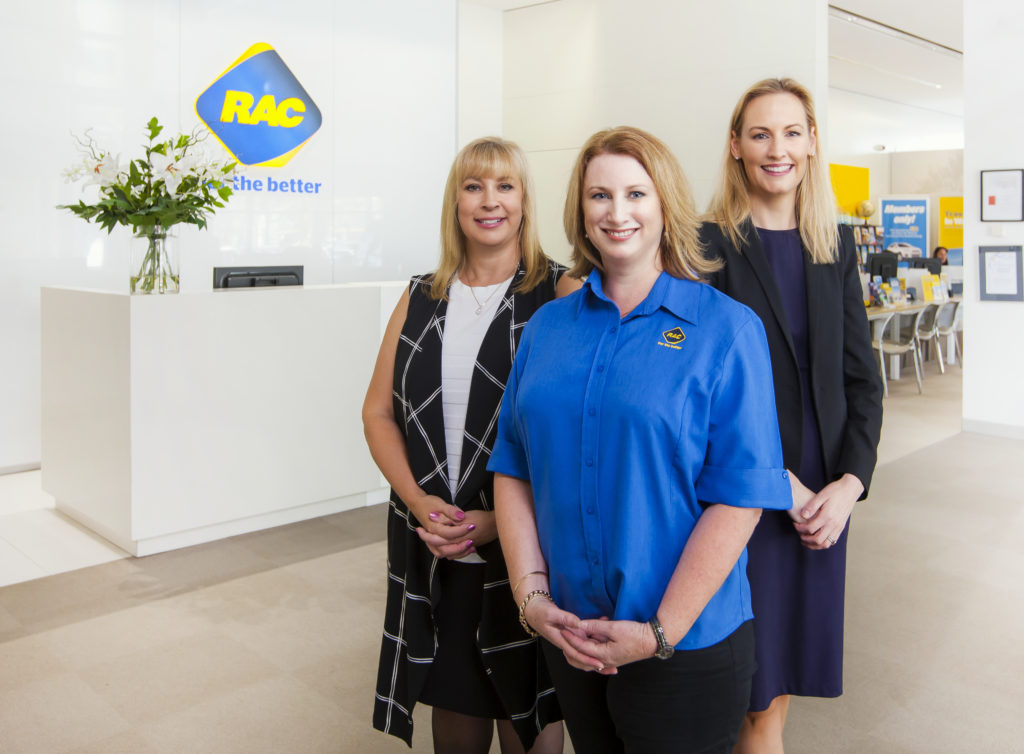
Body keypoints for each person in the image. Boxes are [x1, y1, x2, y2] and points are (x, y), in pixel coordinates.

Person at [488, 126, 798, 753]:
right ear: (581, 210)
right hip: (572, 634)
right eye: (600, 196)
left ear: (665, 206)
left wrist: (660, 631)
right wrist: (533, 599)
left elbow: (741, 497)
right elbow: (514, 467)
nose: (618, 212)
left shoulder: (726, 330)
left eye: (636, 193)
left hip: (686, 644)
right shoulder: (548, 328)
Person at [364, 136, 576, 753]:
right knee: (453, 700)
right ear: (455, 202)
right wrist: (418, 501)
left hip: (528, 547)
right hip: (434, 543)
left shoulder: (559, 295)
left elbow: (575, 438)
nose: (489, 201)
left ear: (524, 200)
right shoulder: (422, 294)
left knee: (528, 711)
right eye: (473, 186)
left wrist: (499, 522)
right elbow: (378, 413)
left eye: (504, 186)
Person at [702, 78, 884, 753]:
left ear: (811, 145)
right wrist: (780, 483)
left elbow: (864, 383)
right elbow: (699, 397)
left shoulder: (834, 244)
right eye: (760, 133)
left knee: (778, 689)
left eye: (790, 132)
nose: (776, 148)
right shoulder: (705, 245)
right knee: (752, 689)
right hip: (745, 488)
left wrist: (849, 487)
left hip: (822, 501)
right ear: (736, 146)